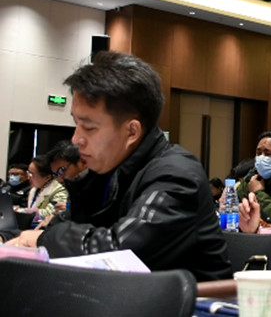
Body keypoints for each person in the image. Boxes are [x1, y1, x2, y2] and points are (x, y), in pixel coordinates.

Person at [4, 51, 231, 281]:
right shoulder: (104, 172)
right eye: (76, 124)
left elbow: (121, 251)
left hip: (194, 300)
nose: (76, 139)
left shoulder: (176, 173)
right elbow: (58, 227)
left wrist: (44, 240)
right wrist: (13, 240)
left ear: (132, 131)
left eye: (89, 128)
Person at [24, 155, 68, 221]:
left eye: (31, 174)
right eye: (28, 173)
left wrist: (21, 211)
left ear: (47, 177)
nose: (28, 178)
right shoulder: (34, 189)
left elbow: (50, 213)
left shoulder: (59, 189)